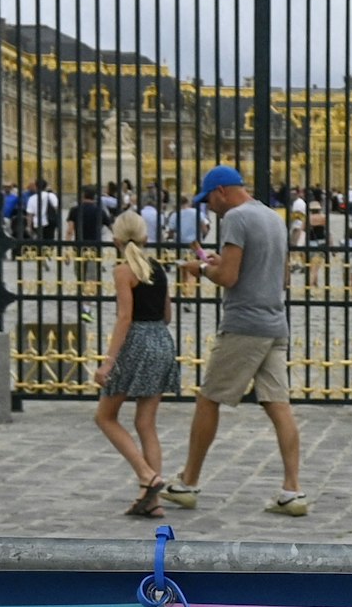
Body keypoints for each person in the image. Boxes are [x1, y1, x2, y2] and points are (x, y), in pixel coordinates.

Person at [158, 166, 307, 516]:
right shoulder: (273, 218)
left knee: (209, 399)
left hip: (244, 325)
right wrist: (218, 261)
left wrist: (202, 269)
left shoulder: (237, 219)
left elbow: (228, 276)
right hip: (275, 322)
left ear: (222, 191)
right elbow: (282, 276)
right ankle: (293, 490)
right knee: (278, 405)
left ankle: (188, 482)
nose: (208, 206)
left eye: (208, 198)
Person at [92, 210, 179, 518]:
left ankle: (146, 475)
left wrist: (108, 362)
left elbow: (125, 318)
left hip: (137, 344)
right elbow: (167, 315)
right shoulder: (158, 268)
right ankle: (151, 501)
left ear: (115, 239)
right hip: (162, 342)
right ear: (145, 237)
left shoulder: (123, 271)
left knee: (105, 416)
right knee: (146, 423)